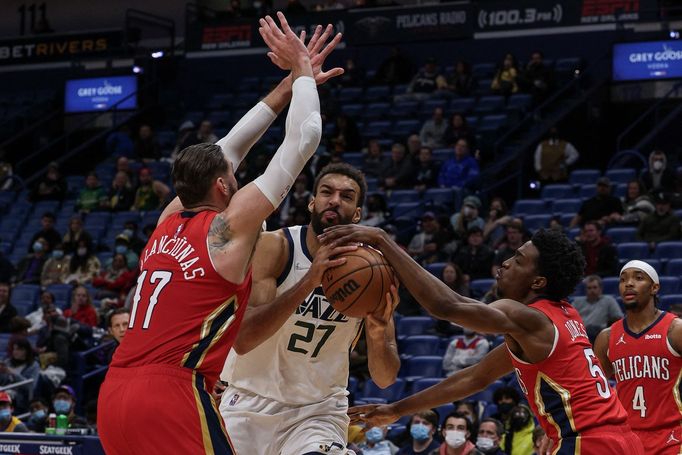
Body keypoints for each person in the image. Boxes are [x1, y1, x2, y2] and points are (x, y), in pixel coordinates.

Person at [98, 14, 340, 454]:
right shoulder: (226, 230)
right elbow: (305, 138)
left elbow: (225, 149)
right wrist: (303, 69)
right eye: (233, 174)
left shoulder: (168, 219)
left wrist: (289, 84)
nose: (237, 170)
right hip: (171, 392)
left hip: (114, 394)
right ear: (223, 187)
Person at [320, 226, 643, 453]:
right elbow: (476, 376)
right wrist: (397, 409)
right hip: (622, 439)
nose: (505, 263)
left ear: (539, 280)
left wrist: (383, 241)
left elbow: (447, 306)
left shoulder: (530, 317)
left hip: (589, 442)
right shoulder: (562, 316)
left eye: (517, 259)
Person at [219, 163, 400, 455]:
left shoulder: (373, 270)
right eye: (327, 192)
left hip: (318, 411)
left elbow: (385, 377)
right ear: (312, 202)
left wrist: (379, 331)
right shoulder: (275, 248)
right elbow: (244, 340)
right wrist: (309, 280)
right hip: (250, 402)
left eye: (346, 196)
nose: (335, 200)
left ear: (357, 214)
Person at [594, 260, 682, 454]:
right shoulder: (607, 338)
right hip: (626, 439)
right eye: (623, 279)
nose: (629, 283)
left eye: (638, 278)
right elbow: (593, 394)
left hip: (672, 437)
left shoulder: (675, 330)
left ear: (654, 287)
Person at [572, 275, 623, 341]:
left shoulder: (609, 300)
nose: (592, 290)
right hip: (581, 334)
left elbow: (619, 318)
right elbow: (569, 319)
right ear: (585, 290)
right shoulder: (577, 302)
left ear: (600, 289)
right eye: (589, 288)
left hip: (600, 334)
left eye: (595, 287)